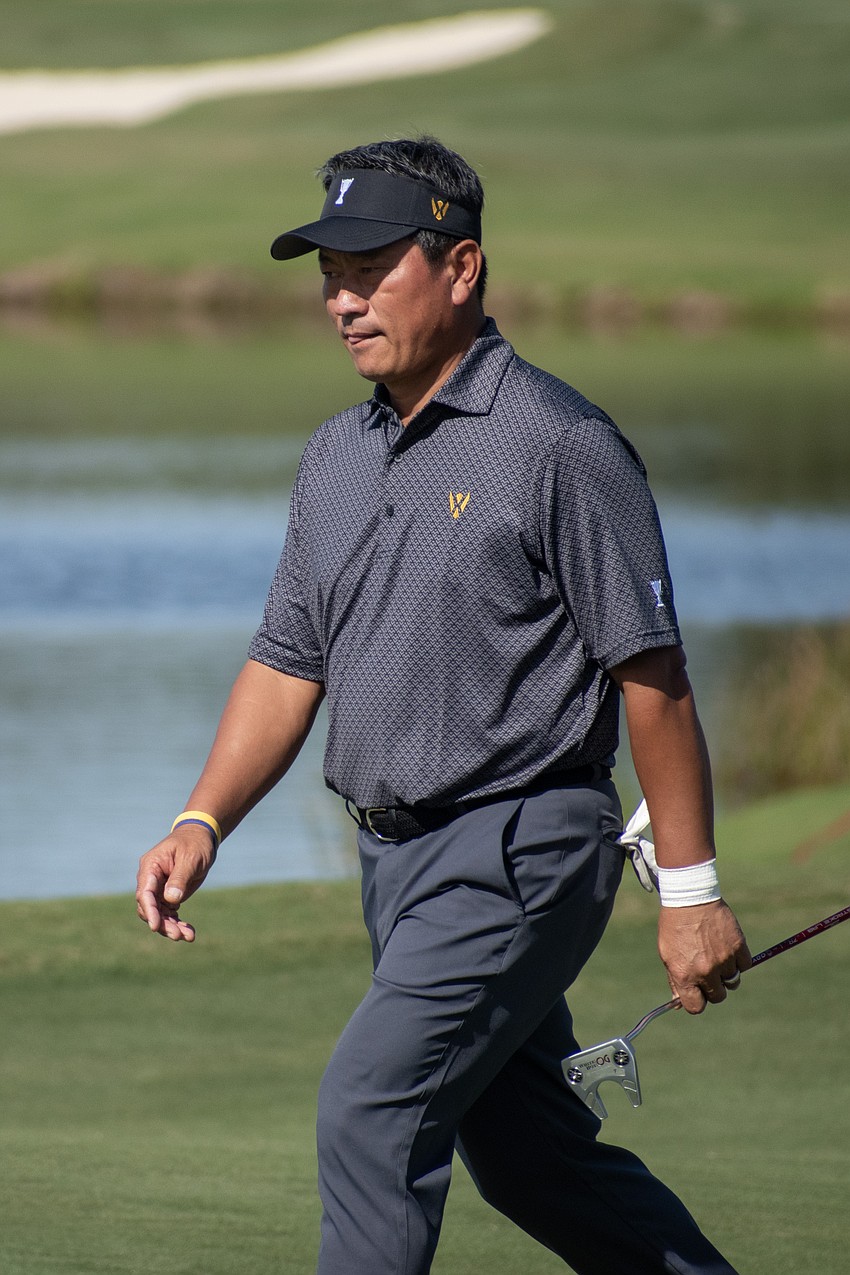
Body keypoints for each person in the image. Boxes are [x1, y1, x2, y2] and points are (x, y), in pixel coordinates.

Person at [136, 136, 752, 1275]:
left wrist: (692, 892)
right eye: (329, 273)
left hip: (522, 847)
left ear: (461, 267)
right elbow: (286, 662)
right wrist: (201, 819)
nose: (343, 299)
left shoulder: (559, 446)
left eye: (372, 267)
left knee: (369, 1113)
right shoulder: (336, 456)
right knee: (528, 1155)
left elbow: (651, 679)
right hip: (400, 867)